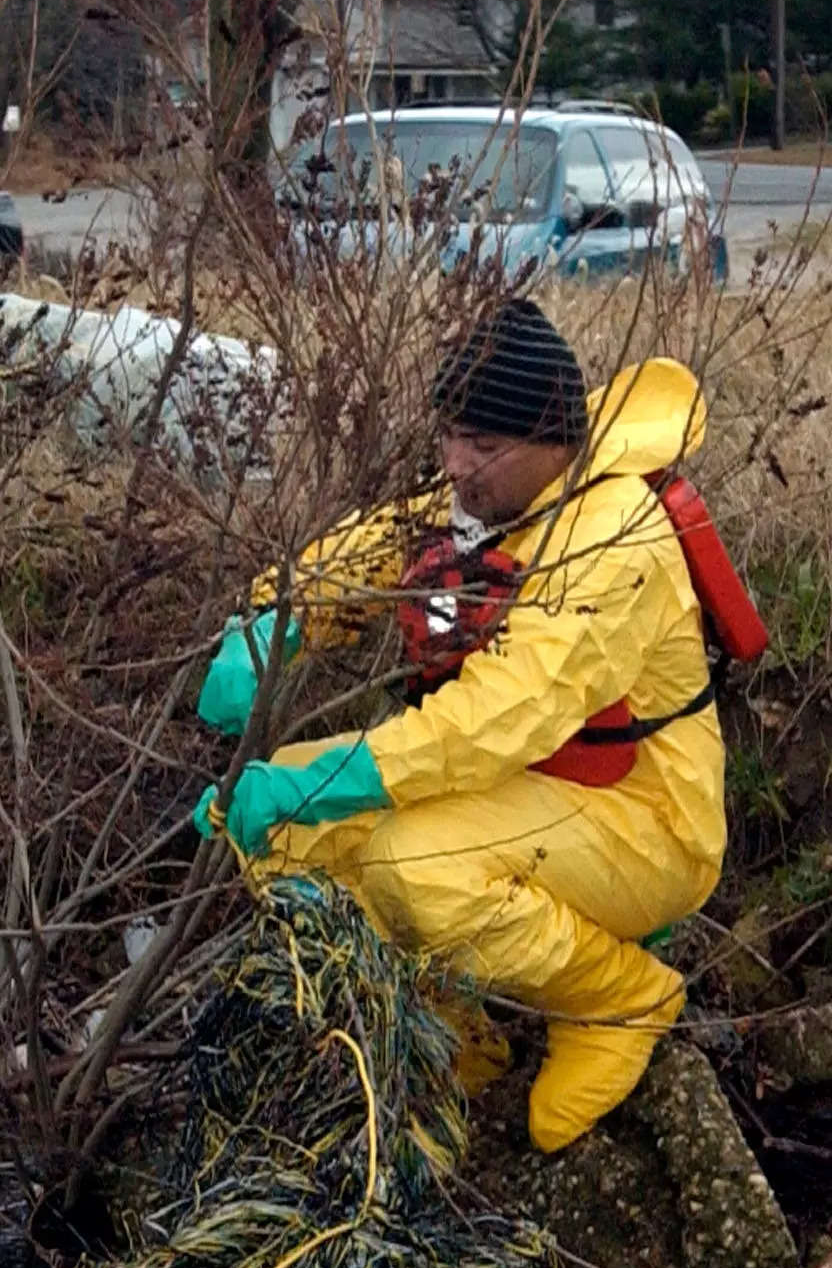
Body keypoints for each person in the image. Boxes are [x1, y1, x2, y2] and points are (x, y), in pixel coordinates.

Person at [191, 298, 745, 1154]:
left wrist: (327, 783)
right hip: (539, 788)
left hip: (648, 824)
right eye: (451, 436)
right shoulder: (513, 490)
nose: (454, 464)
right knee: (288, 841)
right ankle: (456, 1036)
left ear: (550, 438)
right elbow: (385, 541)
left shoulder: (614, 540)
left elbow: (500, 714)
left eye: (479, 447)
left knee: (406, 863)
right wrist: (277, 614)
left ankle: (618, 997)